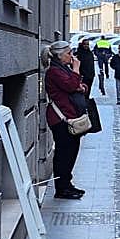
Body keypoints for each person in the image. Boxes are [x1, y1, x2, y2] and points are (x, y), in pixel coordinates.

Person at [45, 41, 87, 200]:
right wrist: (76, 70)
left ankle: (67, 184)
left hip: (70, 116)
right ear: (59, 55)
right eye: (69, 53)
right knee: (64, 153)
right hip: (60, 118)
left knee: (71, 151)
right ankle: (61, 188)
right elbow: (70, 85)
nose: (72, 56)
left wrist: (81, 86)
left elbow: (76, 84)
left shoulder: (63, 69)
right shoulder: (54, 71)